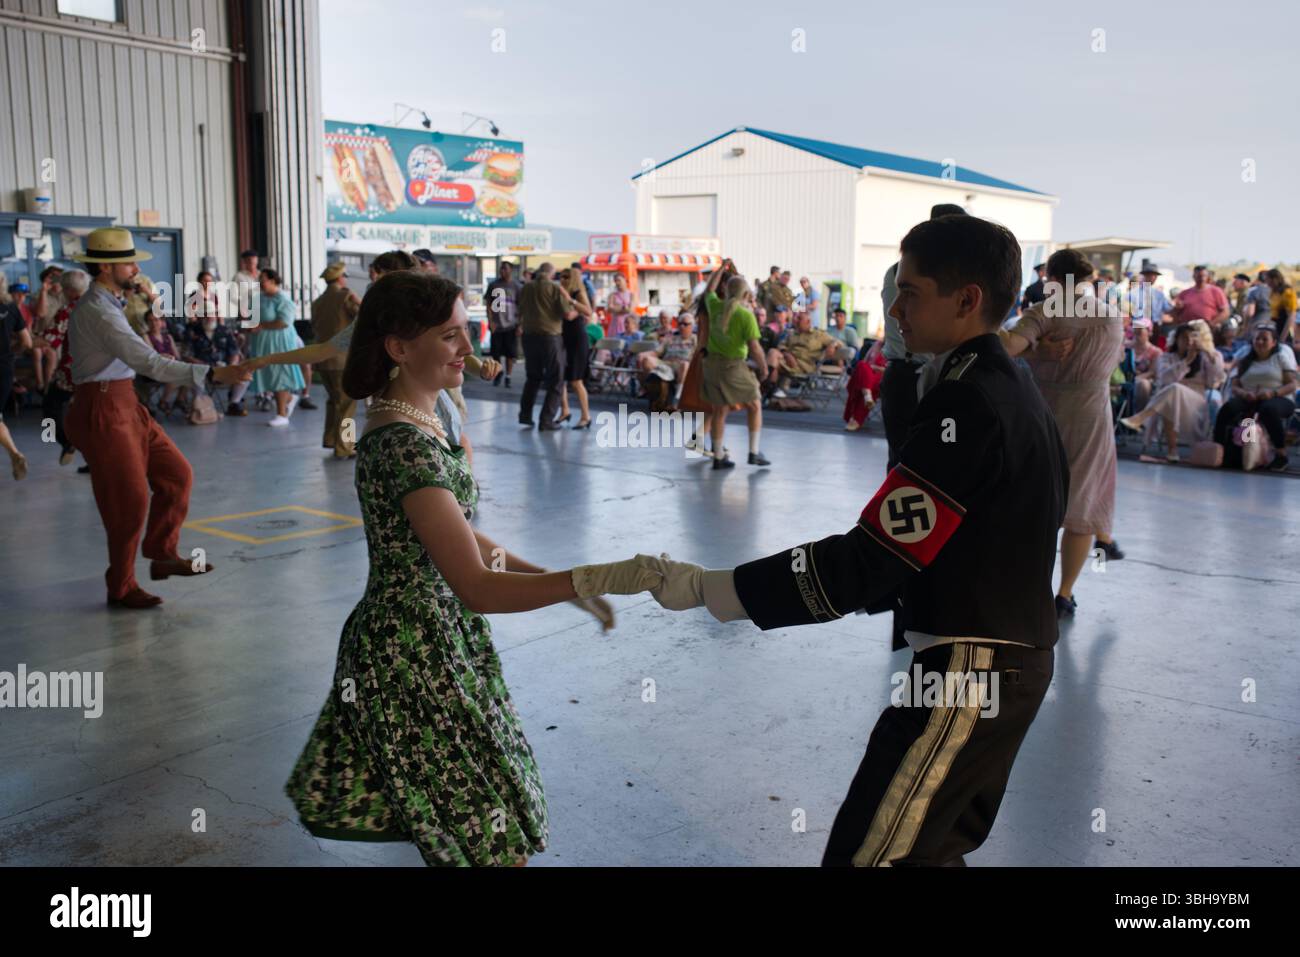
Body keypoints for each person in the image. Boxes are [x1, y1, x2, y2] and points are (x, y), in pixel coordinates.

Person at [639, 214, 1067, 868]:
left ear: (966, 300)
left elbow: (869, 560)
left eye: (911, 290)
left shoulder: (968, 402)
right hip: (998, 660)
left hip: (970, 672)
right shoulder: (1004, 386)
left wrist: (715, 589)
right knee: (927, 850)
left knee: (871, 855)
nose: (894, 307)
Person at [283, 269, 663, 866]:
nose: (469, 349)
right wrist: (592, 578)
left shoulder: (422, 421)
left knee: (485, 824)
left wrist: (557, 582)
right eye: (451, 336)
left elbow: (464, 538)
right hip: (411, 652)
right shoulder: (403, 442)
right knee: (487, 837)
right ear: (400, 348)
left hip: (439, 639)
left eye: (466, 332)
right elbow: (477, 586)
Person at [64, 228, 249, 608]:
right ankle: (121, 586)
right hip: (102, 407)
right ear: (104, 267)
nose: (135, 269)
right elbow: (149, 362)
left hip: (124, 402)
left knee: (177, 475)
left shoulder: (113, 302)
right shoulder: (98, 311)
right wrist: (212, 373)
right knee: (128, 502)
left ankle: (162, 553)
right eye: (128, 263)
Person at [1001, 248, 1125, 619]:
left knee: (1037, 497)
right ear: (1087, 279)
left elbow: (1008, 348)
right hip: (1093, 413)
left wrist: (1038, 354)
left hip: (1045, 412)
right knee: (1082, 500)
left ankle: (1029, 586)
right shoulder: (1112, 315)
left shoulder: (1047, 310)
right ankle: (1065, 593)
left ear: (1052, 278)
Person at [879, 206, 963, 469]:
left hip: (904, 374)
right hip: (916, 375)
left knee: (903, 461)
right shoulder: (925, 272)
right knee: (919, 463)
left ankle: (895, 508)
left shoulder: (899, 267)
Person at [699, 259, 769, 470]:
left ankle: (718, 456)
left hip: (711, 366)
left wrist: (720, 269)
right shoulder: (745, 316)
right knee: (755, 404)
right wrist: (764, 368)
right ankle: (754, 452)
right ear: (746, 295)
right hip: (733, 367)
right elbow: (755, 348)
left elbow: (709, 288)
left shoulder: (714, 306)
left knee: (719, 409)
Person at [1120, 321, 1225, 462]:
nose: (1188, 341)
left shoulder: (1206, 357)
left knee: (1174, 390)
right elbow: (1164, 380)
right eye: (1184, 338)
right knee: (1173, 393)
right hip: (1172, 400)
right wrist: (1186, 362)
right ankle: (1172, 451)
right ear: (1176, 340)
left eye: (1192, 338)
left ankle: (1142, 417)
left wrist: (1207, 352)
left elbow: (1215, 379)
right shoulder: (1166, 357)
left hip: (1196, 404)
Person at [1212, 325, 1296, 471]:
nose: (1260, 342)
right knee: (1229, 408)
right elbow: (1235, 385)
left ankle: (1281, 454)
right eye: (1258, 338)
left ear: (1274, 342)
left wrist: (1273, 393)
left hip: (1278, 398)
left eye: (1265, 339)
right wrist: (1244, 393)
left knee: (1268, 409)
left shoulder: (1280, 358)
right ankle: (1220, 450)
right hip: (1250, 398)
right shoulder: (1246, 360)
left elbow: (1292, 384)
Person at [36, 269, 90, 466]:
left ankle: (65, 442)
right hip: (97, 372)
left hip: (71, 371)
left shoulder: (68, 310)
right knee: (88, 416)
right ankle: (94, 462)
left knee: (50, 406)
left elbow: (52, 338)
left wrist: (23, 343)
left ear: (67, 290)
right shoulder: (100, 305)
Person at [311, 261, 361, 457]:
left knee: (333, 400)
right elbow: (364, 317)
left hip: (323, 359)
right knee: (347, 404)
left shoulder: (318, 302)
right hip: (343, 360)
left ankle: (331, 439)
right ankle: (345, 447)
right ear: (341, 278)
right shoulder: (346, 296)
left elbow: (315, 326)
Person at [516, 263, 572, 431]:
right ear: (551, 273)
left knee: (533, 377)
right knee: (556, 379)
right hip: (550, 337)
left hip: (528, 336)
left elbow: (520, 309)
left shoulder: (526, 287)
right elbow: (566, 312)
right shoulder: (554, 288)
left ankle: (525, 415)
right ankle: (546, 420)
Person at [246, 268, 305, 427]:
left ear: (273, 281)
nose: (260, 282)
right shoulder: (258, 298)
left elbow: (284, 322)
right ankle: (290, 399)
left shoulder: (283, 299)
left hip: (279, 341)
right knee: (270, 374)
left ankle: (281, 414)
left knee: (280, 374)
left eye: (263, 279)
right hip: (263, 341)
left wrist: (261, 325)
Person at [0, 283, 34, 479]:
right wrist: (11, 353)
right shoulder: (10, 307)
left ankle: (14, 453)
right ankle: (14, 453)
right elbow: (27, 342)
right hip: (4, 368)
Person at [556, 268, 593, 429]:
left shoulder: (578, 292)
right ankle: (565, 410)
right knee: (561, 378)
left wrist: (571, 302)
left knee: (576, 381)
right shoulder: (562, 294)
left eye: (566, 276)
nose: (563, 279)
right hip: (564, 337)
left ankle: (586, 416)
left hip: (577, 339)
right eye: (561, 276)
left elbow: (588, 311)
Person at [485, 261, 522, 387]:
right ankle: (498, 373)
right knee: (496, 353)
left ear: (511, 270)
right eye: (501, 269)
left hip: (511, 325)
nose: (502, 271)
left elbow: (522, 307)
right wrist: (490, 321)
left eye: (505, 269)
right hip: (497, 325)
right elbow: (489, 304)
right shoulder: (494, 285)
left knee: (510, 354)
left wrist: (520, 325)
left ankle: (508, 376)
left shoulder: (516, 286)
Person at [1127, 317, 1163, 412]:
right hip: (1124, 377)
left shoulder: (1156, 352)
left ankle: (1139, 417)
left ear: (1149, 332)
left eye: (1141, 329)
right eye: (1136, 328)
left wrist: (1135, 379)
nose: (1137, 330)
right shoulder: (1125, 346)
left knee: (1142, 385)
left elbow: (1152, 372)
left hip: (1144, 380)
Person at [1264, 268, 1295, 344]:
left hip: (1284, 328)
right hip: (1275, 326)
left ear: (1274, 279)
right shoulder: (1273, 292)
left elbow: (1291, 316)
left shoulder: (1287, 293)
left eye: (1268, 280)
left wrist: (1282, 338)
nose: (1266, 283)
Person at [605, 272, 635, 338]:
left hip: (628, 324)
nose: (617, 283)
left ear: (625, 280)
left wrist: (616, 308)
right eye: (615, 281)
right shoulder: (612, 295)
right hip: (616, 325)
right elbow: (609, 309)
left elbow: (630, 310)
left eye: (619, 280)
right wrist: (624, 307)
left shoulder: (631, 295)